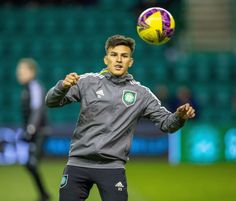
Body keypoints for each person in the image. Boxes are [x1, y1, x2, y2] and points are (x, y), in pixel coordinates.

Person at [45, 35, 195, 201]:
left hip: (112, 168)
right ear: (106, 59)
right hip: (77, 164)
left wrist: (179, 116)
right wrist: (62, 86)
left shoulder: (141, 94)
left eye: (124, 56)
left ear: (130, 62)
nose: (118, 60)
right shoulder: (87, 82)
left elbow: (167, 124)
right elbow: (51, 102)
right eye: (114, 54)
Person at [16, 58, 50, 201]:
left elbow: (37, 109)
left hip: (39, 132)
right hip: (33, 132)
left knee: (32, 163)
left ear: (31, 72)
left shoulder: (34, 86)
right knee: (29, 165)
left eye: (22, 70)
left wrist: (30, 129)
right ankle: (44, 194)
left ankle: (45, 195)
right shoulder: (27, 88)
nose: (19, 73)